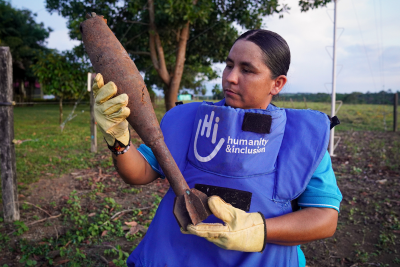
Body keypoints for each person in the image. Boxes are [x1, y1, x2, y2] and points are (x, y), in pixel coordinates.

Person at [92, 29, 342, 267]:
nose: (230, 77)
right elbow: (140, 173)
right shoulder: (187, 119)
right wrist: (118, 141)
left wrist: (258, 229)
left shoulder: (301, 137)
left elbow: (324, 218)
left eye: (247, 70)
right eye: (229, 64)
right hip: (176, 256)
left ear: (277, 84)